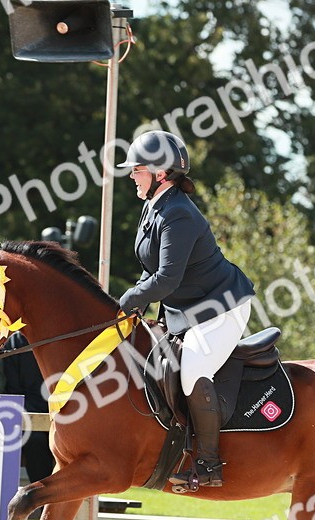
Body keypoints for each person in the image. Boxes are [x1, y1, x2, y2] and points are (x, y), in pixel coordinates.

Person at [116, 130, 257, 488]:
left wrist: (127, 299)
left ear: (160, 173)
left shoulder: (178, 214)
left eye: (138, 169)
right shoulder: (154, 207)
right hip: (188, 310)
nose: (132, 175)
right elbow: (153, 272)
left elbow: (165, 279)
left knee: (192, 369)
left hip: (221, 307)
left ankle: (210, 465)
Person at [1, 332, 56, 484]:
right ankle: (42, 495)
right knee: (35, 440)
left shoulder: (60, 333)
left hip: (65, 407)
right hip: (30, 411)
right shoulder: (14, 342)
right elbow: (13, 389)